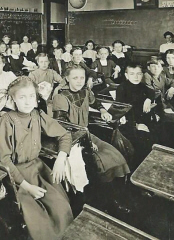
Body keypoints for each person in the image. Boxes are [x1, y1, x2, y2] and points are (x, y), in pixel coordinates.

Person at [0, 77, 73, 240]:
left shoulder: (38, 116)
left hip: (38, 169)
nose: (28, 101)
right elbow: (5, 161)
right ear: (13, 99)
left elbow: (65, 134)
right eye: (22, 97)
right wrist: (27, 187)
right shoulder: (4, 122)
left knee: (61, 207)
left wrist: (61, 158)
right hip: (15, 177)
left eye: (31, 96)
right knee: (38, 219)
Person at [52, 65, 130, 210]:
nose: (79, 81)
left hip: (86, 134)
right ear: (67, 78)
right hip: (71, 140)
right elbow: (61, 125)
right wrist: (84, 140)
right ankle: (102, 202)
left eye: (82, 77)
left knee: (116, 154)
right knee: (99, 163)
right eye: (75, 78)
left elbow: (96, 102)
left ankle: (114, 198)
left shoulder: (86, 91)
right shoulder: (60, 97)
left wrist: (102, 110)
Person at [116, 63, 158, 165]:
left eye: (139, 74)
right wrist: (136, 125)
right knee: (144, 142)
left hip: (143, 120)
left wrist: (148, 99)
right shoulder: (122, 88)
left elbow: (152, 92)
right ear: (126, 75)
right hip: (130, 124)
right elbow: (123, 111)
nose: (136, 77)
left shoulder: (141, 86)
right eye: (132, 74)